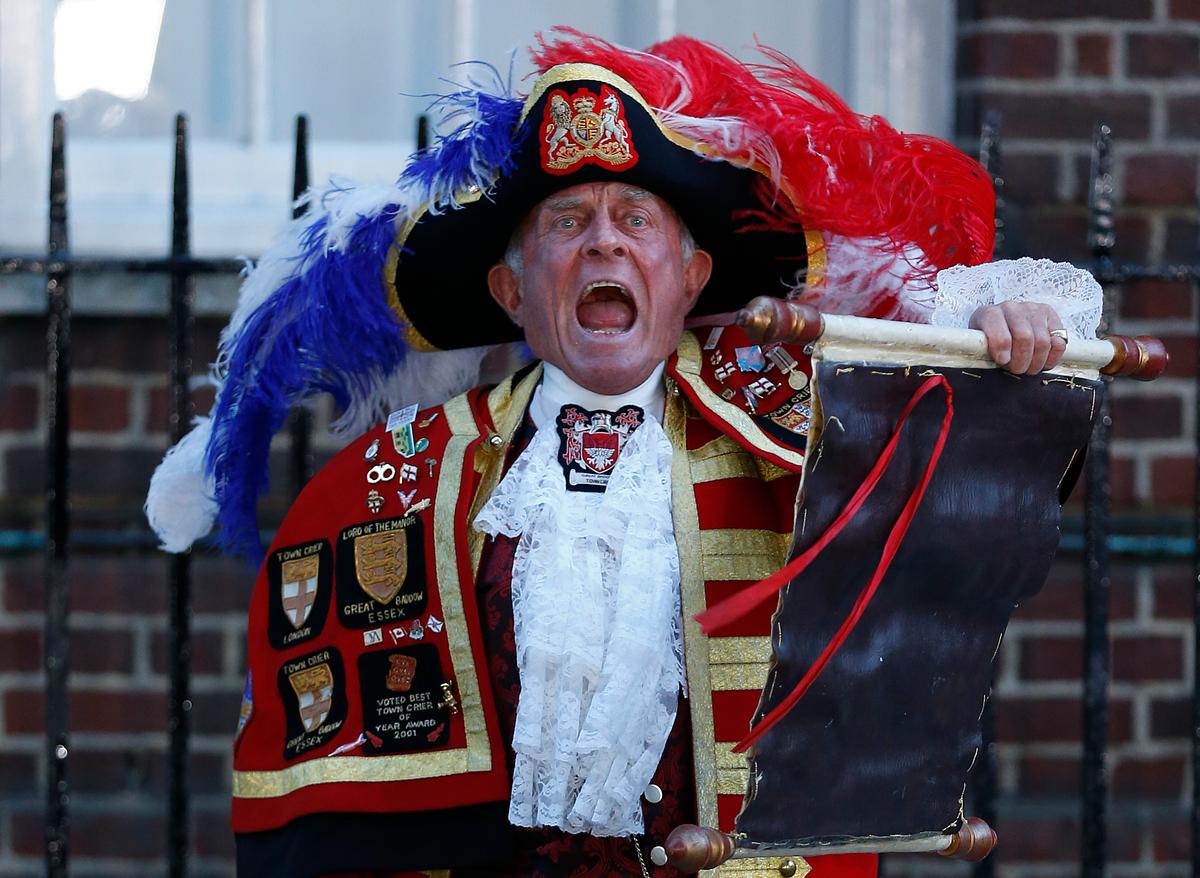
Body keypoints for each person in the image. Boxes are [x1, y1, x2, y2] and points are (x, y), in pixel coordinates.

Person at [146, 29, 1096, 878]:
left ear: (690, 280)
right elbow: (323, 804)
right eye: (566, 224)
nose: (604, 242)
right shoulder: (400, 475)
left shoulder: (805, 428)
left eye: (636, 220)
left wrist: (1002, 345)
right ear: (510, 293)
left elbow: (980, 490)